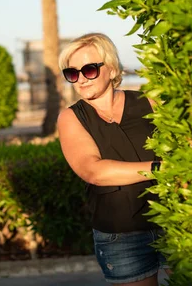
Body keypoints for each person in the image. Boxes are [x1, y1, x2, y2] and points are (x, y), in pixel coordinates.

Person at [57, 33, 168, 286]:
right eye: (72, 73)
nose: (81, 79)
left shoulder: (148, 102)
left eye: (89, 69)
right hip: (121, 237)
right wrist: (162, 169)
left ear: (111, 68)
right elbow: (93, 172)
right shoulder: (71, 118)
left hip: (172, 220)